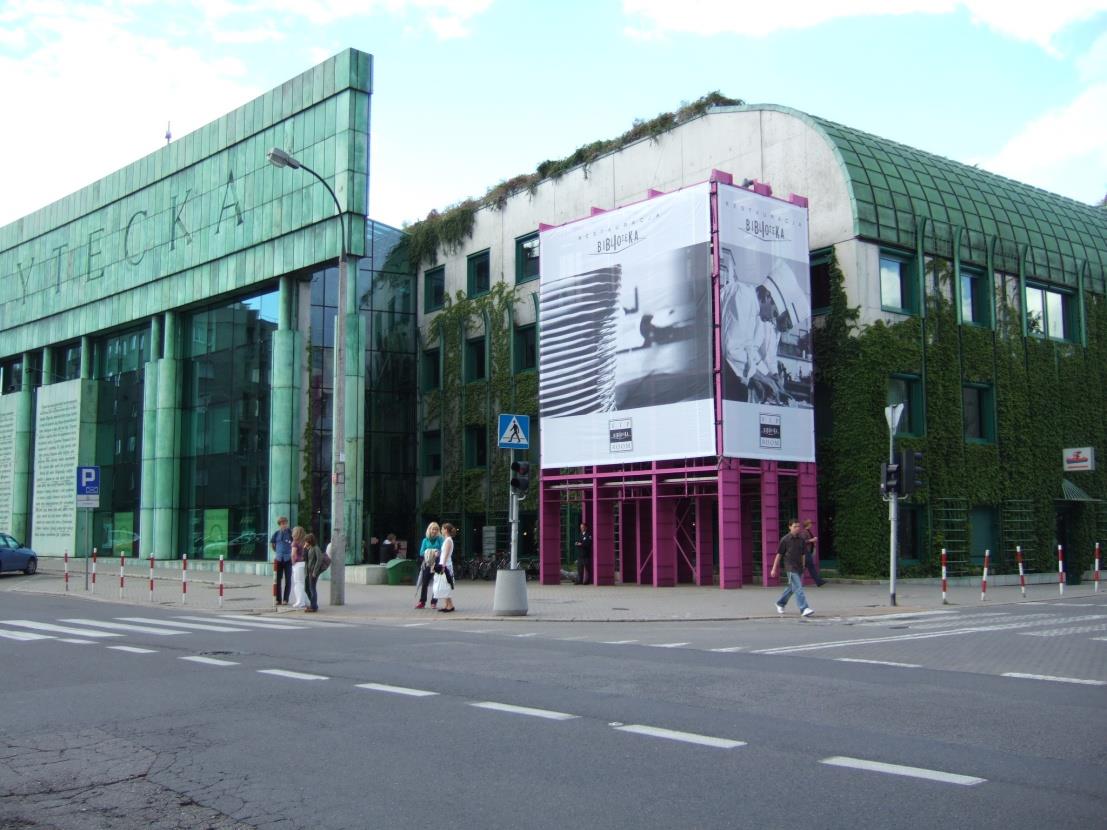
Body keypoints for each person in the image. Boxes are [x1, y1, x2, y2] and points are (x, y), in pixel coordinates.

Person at [771, 519, 814, 617]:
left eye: (798, 526)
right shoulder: (785, 539)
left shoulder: (801, 539)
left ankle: (780, 603)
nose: (797, 528)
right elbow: (779, 555)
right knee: (799, 587)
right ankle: (804, 608)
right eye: (795, 526)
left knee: (792, 588)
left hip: (799, 567)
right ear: (789, 527)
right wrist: (774, 568)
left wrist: (803, 566)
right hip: (790, 567)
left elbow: (803, 554)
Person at [415, 522, 443, 609]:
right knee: (425, 582)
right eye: (433, 529)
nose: (434, 531)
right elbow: (421, 552)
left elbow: (442, 550)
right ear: (429, 530)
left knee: (436, 583)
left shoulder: (440, 539)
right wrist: (432, 551)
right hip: (427, 563)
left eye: (436, 529)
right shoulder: (425, 540)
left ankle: (434, 602)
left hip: (437, 563)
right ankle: (422, 602)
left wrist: (437, 552)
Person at [269, 516, 293, 605]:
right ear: (279, 525)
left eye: (285, 523)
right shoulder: (276, 534)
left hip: (288, 559)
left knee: (288, 580)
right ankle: (278, 599)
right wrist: (277, 552)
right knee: (278, 580)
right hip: (279, 559)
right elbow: (272, 544)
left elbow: (295, 543)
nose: (284, 525)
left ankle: (286, 599)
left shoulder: (291, 533)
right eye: (282, 524)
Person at [435, 522, 457, 612]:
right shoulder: (447, 540)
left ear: (446, 530)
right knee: (444, 584)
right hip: (444, 564)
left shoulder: (448, 540)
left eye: (442, 529)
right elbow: (444, 553)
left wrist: (443, 565)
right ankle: (448, 605)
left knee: (445, 585)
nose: (441, 530)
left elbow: (447, 554)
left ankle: (449, 606)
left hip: (446, 565)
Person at [802, 518, 826, 587]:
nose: (811, 524)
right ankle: (819, 581)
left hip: (808, 552)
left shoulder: (808, 531)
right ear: (807, 524)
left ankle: (818, 581)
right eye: (810, 523)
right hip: (806, 552)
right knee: (810, 567)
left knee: (806, 568)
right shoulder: (804, 532)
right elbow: (803, 541)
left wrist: (813, 541)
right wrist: (812, 540)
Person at [304, 532, 324, 613]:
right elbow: (304, 558)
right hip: (308, 571)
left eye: (306, 541)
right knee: (307, 588)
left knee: (312, 589)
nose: (305, 542)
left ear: (310, 541)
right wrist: (305, 548)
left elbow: (319, 560)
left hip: (313, 571)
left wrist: (315, 572)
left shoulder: (316, 548)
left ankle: (314, 606)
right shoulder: (309, 548)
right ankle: (313, 603)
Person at [289, 525, 308, 610]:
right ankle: (303, 601)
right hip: (305, 563)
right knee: (303, 583)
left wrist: (292, 562)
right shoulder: (305, 541)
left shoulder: (295, 542)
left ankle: (300, 602)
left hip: (298, 564)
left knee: (298, 583)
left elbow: (293, 554)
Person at [574, 521, 593, 585]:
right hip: (580, 554)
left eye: (583, 527)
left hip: (586, 554)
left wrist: (581, 544)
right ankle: (580, 580)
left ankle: (589, 580)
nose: (581, 528)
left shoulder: (588, 535)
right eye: (581, 527)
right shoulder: (580, 534)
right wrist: (577, 543)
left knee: (588, 568)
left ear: (586, 527)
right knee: (580, 569)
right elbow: (577, 541)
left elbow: (588, 544)